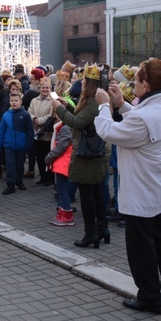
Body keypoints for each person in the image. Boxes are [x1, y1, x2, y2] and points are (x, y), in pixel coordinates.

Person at [94, 59, 161, 313]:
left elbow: (109, 132)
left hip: (142, 188)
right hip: (160, 183)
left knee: (140, 247)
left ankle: (149, 296)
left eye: (136, 81)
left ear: (146, 84)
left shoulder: (146, 116)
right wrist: (122, 104)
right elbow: (144, 122)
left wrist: (103, 106)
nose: (133, 84)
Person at [50, 64, 111, 249]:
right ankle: (102, 229)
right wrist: (67, 105)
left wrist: (58, 109)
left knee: (87, 195)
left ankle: (91, 233)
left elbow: (78, 123)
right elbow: (82, 117)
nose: (81, 83)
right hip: (96, 152)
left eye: (84, 80)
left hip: (89, 154)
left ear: (90, 84)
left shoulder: (93, 102)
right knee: (96, 193)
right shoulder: (93, 100)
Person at [0, 92, 34, 195]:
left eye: (16, 101)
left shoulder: (25, 115)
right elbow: (1, 132)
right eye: (12, 101)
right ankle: (10, 184)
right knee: (10, 165)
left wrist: (29, 145)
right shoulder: (6, 115)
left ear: (20, 101)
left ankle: (19, 182)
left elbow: (30, 131)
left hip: (21, 145)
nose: (14, 103)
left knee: (20, 165)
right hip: (9, 145)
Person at [46, 120, 74, 226]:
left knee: (61, 190)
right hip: (63, 162)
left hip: (63, 163)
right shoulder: (63, 127)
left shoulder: (65, 128)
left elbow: (60, 148)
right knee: (62, 189)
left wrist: (48, 158)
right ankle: (63, 212)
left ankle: (67, 215)